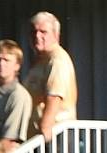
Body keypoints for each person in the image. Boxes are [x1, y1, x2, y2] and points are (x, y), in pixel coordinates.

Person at [23, 11, 77, 141]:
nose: (37, 35)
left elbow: (54, 96)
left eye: (43, 32)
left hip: (54, 136)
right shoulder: (40, 60)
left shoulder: (57, 59)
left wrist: (45, 128)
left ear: (56, 35)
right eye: (33, 32)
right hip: (37, 137)